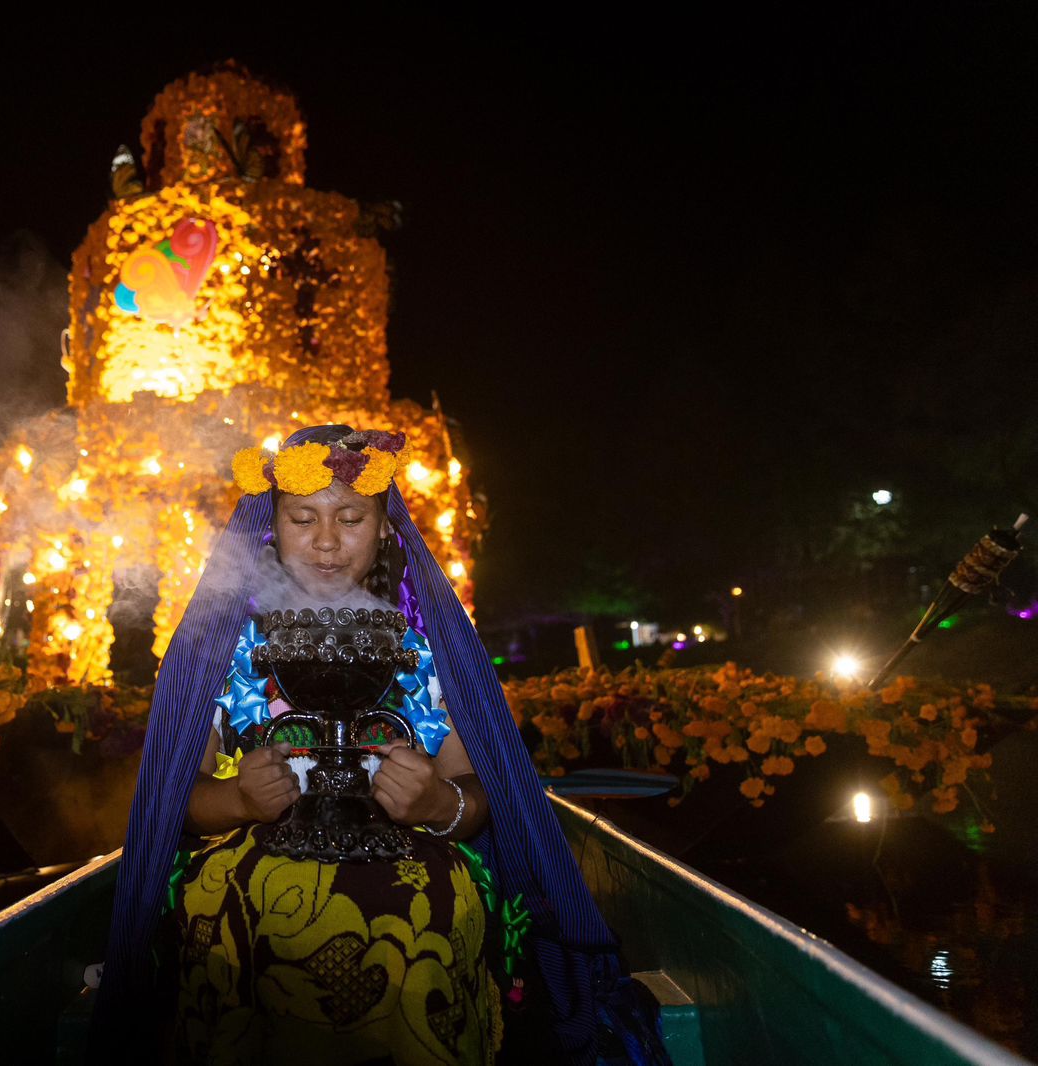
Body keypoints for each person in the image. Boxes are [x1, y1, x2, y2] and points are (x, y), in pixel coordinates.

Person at [92, 426, 669, 1066]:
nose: (327, 541)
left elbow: (477, 799)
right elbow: (179, 797)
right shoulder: (218, 649)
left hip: (416, 867)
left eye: (351, 517)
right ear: (272, 528)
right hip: (245, 872)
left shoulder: (428, 647)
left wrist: (435, 804)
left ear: (385, 526)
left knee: (436, 894)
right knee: (237, 897)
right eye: (303, 518)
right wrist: (238, 799)